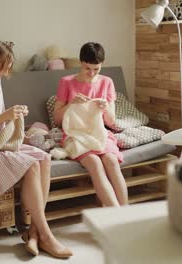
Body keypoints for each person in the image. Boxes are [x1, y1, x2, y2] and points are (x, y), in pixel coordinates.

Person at [0, 40, 72, 259]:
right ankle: (45, 235)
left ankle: (34, 232)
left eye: (9, 67)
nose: (7, 72)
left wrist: (15, 118)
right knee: (32, 165)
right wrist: (4, 116)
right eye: (4, 66)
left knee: (44, 158)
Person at [53, 42, 128, 207]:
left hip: (99, 133)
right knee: (94, 162)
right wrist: (71, 103)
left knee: (111, 161)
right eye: (88, 68)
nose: (92, 73)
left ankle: (126, 214)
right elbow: (57, 119)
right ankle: (118, 215)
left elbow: (111, 122)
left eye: (96, 68)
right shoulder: (66, 82)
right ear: (80, 62)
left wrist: (105, 108)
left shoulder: (107, 82)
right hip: (75, 135)